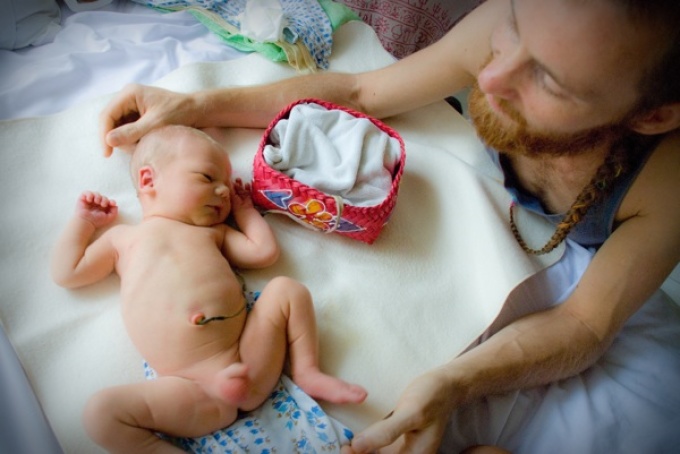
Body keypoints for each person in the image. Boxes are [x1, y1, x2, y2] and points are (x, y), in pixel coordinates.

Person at [98, 0, 680, 452]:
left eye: (549, 82)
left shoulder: (667, 184)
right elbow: (361, 90)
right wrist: (196, 107)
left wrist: (453, 383)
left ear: (653, 116)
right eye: (512, 28)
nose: (492, 76)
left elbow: (584, 325)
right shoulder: (517, 31)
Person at [50, 125, 367, 453]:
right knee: (100, 414)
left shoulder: (213, 234)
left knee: (287, 290)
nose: (223, 192)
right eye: (206, 178)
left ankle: (307, 371)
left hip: (246, 361)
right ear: (148, 180)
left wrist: (245, 214)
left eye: (226, 186)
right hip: (191, 388)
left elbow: (263, 252)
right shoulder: (122, 240)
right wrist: (84, 223)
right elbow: (67, 272)